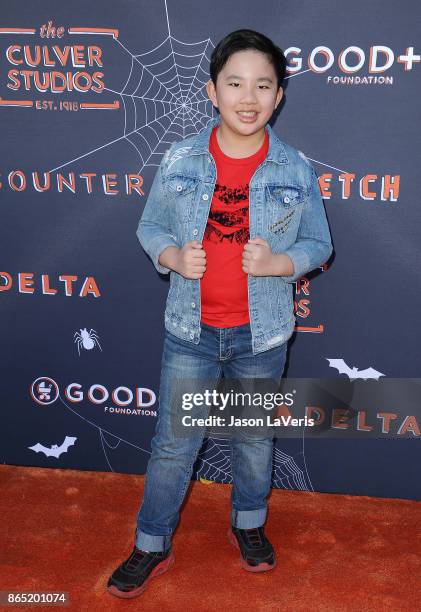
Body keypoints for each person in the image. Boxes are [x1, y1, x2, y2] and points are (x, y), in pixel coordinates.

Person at [107, 28, 333, 598]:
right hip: (192, 333)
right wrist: (171, 255)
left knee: (253, 441)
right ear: (212, 91)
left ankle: (249, 525)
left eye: (263, 84)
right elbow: (149, 225)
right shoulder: (181, 158)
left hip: (263, 336)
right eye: (235, 83)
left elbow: (319, 244)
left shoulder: (294, 168)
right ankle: (151, 542)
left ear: (279, 95)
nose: (248, 97)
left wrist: (281, 263)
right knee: (172, 445)